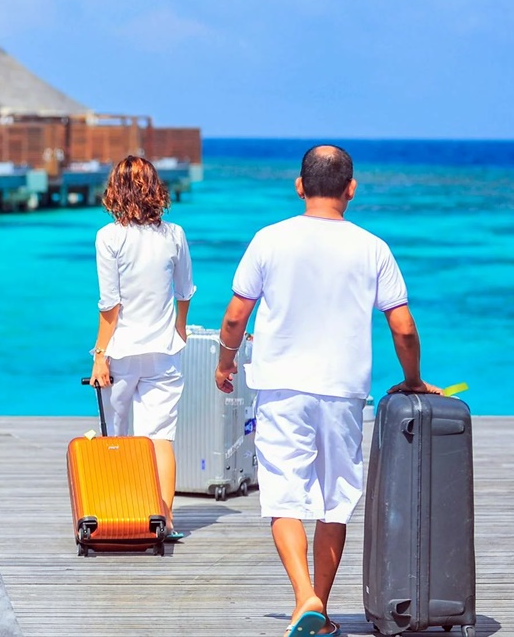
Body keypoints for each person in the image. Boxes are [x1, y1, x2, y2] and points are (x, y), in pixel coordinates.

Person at [214, 145, 441, 637]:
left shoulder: (269, 240)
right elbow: (402, 327)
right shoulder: (372, 247)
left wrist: (225, 363)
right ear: (351, 189)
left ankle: (305, 600)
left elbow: (235, 316)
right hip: (342, 391)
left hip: (280, 387)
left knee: (284, 492)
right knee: (335, 498)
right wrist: (414, 379)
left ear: (299, 185)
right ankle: (319, 605)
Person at [89, 155, 195, 541]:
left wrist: (100, 354)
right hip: (164, 351)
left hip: (122, 352)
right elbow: (185, 291)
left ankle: (116, 514)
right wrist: (179, 328)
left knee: (114, 438)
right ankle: (163, 520)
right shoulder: (175, 234)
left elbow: (109, 305)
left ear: (114, 191)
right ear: (156, 189)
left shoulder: (109, 237)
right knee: (160, 437)